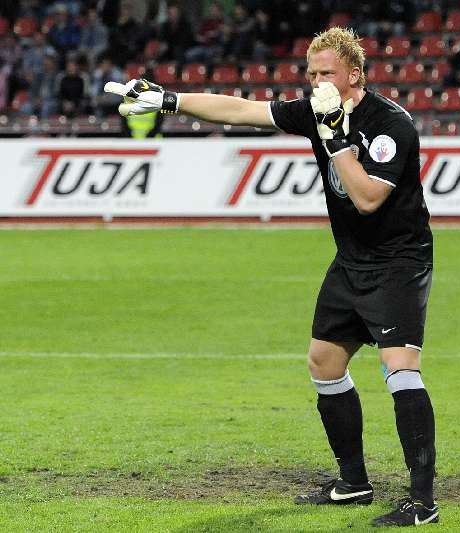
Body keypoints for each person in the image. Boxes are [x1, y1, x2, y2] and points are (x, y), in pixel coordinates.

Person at [104, 26, 439, 528]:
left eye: (326, 73)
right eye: (311, 73)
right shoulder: (315, 111)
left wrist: (337, 135)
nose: (317, 81)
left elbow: (368, 198)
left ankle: (422, 502)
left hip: (399, 262)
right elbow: (242, 110)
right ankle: (353, 483)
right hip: (350, 261)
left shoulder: (390, 125)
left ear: (354, 73)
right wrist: (170, 100)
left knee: (400, 371)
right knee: (324, 363)